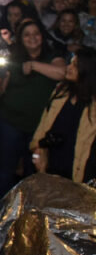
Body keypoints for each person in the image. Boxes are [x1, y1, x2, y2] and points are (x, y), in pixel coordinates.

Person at [0, 19, 66, 206]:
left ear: (42, 36)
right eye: (27, 35)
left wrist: (33, 65)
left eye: (35, 34)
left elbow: (62, 72)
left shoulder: (52, 56)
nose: (32, 38)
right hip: (10, 122)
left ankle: (28, 214)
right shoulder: (14, 59)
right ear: (21, 39)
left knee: (34, 172)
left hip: (40, 127)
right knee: (5, 170)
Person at [30, 48, 96, 182]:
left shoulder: (93, 106)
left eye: (75, 65)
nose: (69, 67)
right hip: (52, 168)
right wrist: (37, 147)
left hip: (79, 174)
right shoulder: (61, 92)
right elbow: (44, 124)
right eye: (70, 63)